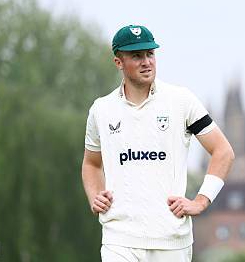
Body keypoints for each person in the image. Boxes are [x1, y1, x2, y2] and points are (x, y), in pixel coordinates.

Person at [81, 24, 235, 262]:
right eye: (136, 56)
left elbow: (223, 151)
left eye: (150, 54)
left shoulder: (181, 100)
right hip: (119, 239)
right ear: (118, 62)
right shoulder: (101, 109)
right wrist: (94, 196)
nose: (146, 62)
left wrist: (201, 201)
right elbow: (91, 163)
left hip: (171, 242)